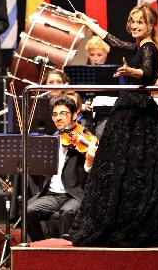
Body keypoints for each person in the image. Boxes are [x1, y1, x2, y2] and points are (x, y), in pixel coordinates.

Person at [69, 3, 158, 247]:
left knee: (125, 170)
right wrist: (87, 22)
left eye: (140, 22)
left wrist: (130, 71)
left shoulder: (148, 47)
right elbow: (114, 41)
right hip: (129, 111)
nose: (135, 25)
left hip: (137, 115)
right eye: (133, 21)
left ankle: (120, 223)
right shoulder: (139, 45)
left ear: (150, 26)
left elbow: (148, 73)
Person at [26, 95, 96, 241]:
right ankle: (40, 245)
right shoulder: (52, 140)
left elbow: (92, 176)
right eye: (55, 114)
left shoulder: (86, 139)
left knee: (67, 212)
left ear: (75, 115)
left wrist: (89, 162)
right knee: (28, 210)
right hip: (52, 194)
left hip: (75, 194)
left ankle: (67, 254)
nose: (58, 118)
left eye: (63, 113)